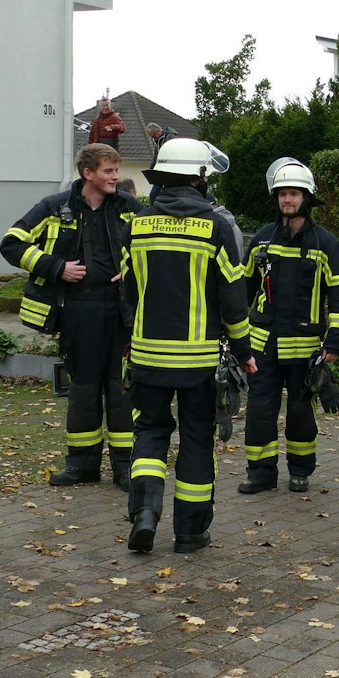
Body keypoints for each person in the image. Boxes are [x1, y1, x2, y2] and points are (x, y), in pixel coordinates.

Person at [120, 137, 254, 554]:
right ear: (199, 178)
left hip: (147, 357)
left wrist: (131, 341)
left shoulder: (136, 226)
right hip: (197, 362)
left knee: (150, 434)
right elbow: (234, 298)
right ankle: (190, 532)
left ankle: (144, 513)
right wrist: (244, 350)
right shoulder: (214, 227)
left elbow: (127, 293)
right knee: (197, 439)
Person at [0, 143, 135, 489]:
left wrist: (132, 270)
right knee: (84, 390)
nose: (116, 177)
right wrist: (56, 267)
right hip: (78, 311)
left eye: (116, 171)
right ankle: (82, 466)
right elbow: (11, 243)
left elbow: (152, 246)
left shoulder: (129, 208)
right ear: (88, 174)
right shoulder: (54, 207)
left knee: (121, 389)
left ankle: (125, 468)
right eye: (109, 171)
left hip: (122, 311)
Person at [238, 159, 339, 495]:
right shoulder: (262, 238)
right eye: (283, 193)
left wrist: (335, 340)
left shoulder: (325, 243)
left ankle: (300, 471)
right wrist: (235, 336)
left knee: (302, 413)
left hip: (304, 346)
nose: (288, 199)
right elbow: (243, 289)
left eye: (294, 194)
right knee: (259, 411)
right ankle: (260, 473)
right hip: (264, 344)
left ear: (307, 198)